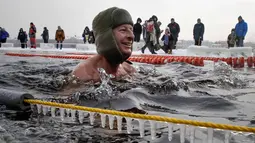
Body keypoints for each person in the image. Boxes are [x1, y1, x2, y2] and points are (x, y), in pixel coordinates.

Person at [72, 7, 136, 82]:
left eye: (131, 30)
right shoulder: (84, 74)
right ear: (106, 36)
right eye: (123, 30)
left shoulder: (129, 70)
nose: (131, 36)